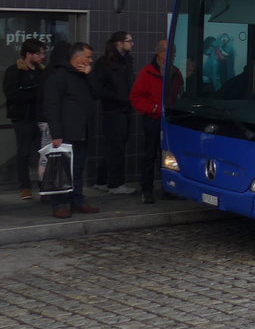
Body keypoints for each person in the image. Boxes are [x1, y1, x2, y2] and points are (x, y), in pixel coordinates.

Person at [40, 42, 101, 219]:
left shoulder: (85, 75)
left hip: (82, 129)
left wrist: (90, 76)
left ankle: (77, 200)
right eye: (88, 56)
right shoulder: (58, 76)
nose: (91, 60)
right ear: (77, 57)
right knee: (61, 168)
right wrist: (57, 133)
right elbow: (51, 106)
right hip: (66, 131)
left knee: (78, 168)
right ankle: (59, 203)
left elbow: (99, 93)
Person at [130, 40, 183, 204]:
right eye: (169, 52)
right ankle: (147, 189)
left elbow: (180, 93)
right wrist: (153, 109)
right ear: (159, 53)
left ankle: (168, 188)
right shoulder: (147, 72)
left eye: (173, 52)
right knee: (150, 154)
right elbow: (135, 97)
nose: (172, 55)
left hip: (169, 120)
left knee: (168, 156)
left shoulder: (175, 72)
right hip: (152, 119)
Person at [94, 30, 137, 194]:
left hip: (123, 108)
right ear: (119, 43)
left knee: (114, 147)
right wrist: (118, 97)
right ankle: (115, 183)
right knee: (116, 147)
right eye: (129, 41)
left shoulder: (126, 61)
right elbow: (99, 88)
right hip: (113, 110)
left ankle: (103, 180)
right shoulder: (105, 63)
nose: (132, 44)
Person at [3, 39, 47, 200]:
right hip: (22, 118)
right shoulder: (14, 71)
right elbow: (13, 94)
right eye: (39, 53)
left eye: (43, 53)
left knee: (42, 153)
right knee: (24, 152)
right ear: (28, 54)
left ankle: (44, 184)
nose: (42, 56)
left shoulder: (41, 71)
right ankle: (25, 186)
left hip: (39, 117)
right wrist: (35, 94)